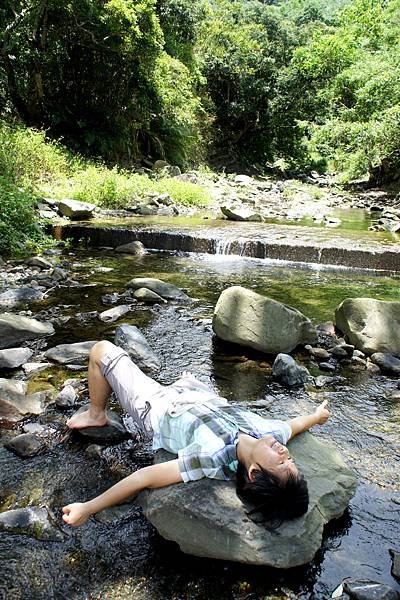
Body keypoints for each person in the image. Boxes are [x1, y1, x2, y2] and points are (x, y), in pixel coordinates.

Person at [62, 341, 330, 527]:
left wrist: (88, 508)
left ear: (254, 473)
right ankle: (185, 382)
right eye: (290, 459)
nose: (285, 452)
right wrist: (317, 417)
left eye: (281, 462)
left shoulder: (212, 457)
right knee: (189, 378)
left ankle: (97, 414)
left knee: (101, 351)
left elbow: (144, 477)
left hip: (157, 406)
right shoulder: (268, 434)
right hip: (197, 395)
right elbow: (294, 425)